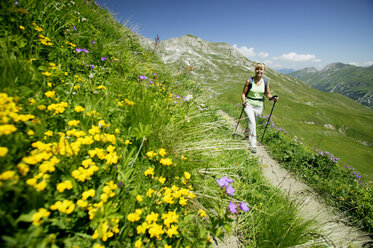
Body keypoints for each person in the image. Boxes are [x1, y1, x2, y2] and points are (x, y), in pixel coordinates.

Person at [241, 63, 278, 153]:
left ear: (263, 71)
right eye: (257, 69)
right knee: (252, 124)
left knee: (252, 123)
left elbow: (267, 93)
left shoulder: (265, 82)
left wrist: (272, 97)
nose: (259, 71)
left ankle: (246, 132)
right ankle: (253, 145)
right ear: (255, 70)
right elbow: (243, 93)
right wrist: (243, 101)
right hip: (248, 104)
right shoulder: (249, 81)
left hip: (259, 106)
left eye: (261, 69)